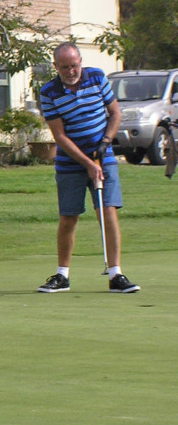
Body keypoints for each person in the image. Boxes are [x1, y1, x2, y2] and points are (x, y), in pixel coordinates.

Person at [38, 42, 140, 293]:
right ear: (56, 66)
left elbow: (115, 114)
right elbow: (60, 137)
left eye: (74, 65)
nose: (71, 71)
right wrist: (87, 163)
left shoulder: (96, 77)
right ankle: (62, 276)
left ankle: (116, 274)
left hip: (103, 157)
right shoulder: (49, 91)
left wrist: (105, 142)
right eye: (65, 67)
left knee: (107, 211)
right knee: (68, 217)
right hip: (69, 163)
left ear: (80, 61)